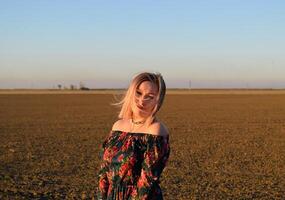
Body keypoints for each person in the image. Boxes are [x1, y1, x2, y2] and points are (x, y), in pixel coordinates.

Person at [97, 72, 170, 200]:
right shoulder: (117, 126)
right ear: (131, 93)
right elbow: (104, 172)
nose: (142, 100)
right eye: (138, 93)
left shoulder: (155, 131)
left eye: (150, 97)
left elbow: (146, 183)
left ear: (157, 101)